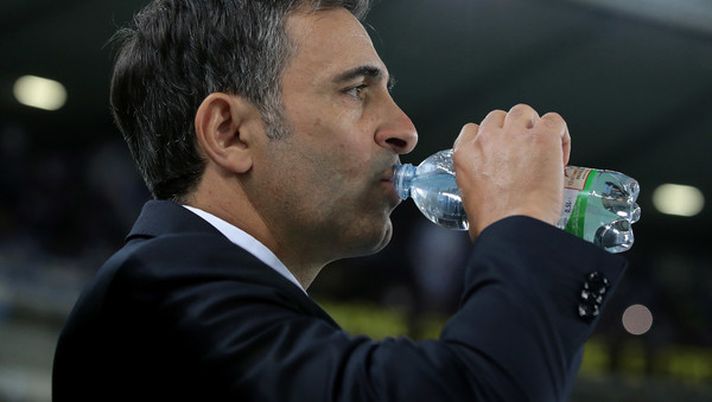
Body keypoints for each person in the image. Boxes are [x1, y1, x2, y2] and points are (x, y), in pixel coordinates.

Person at [52, 0, 627, 401]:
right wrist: (519, 226)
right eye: (356, 91)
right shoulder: (156, 297)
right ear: (229, 133)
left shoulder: (205, 304)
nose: (405, 131)